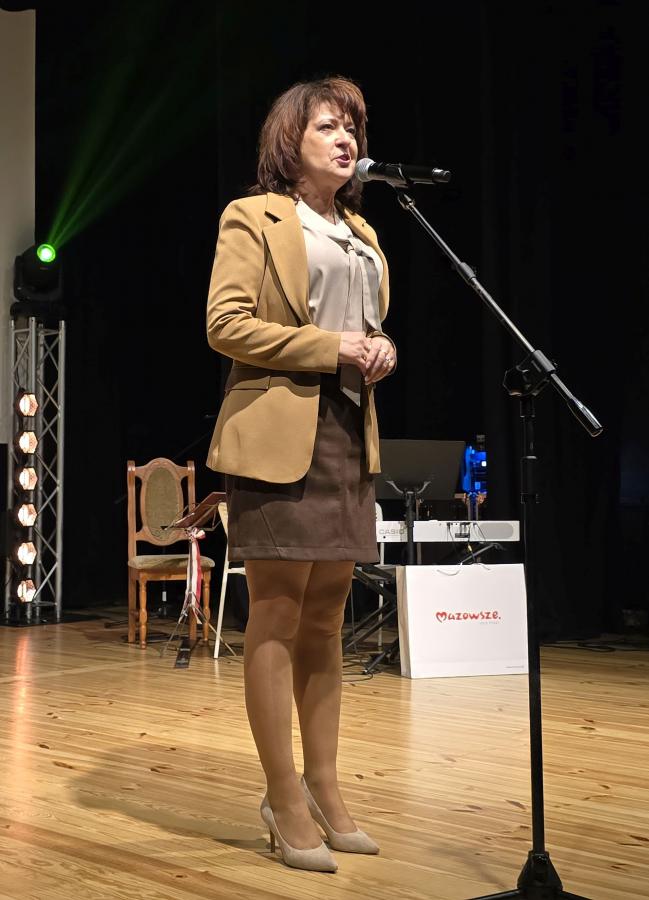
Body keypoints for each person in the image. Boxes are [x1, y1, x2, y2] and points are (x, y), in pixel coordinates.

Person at [206, 75, 396, 873]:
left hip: (347, 432)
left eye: (352, 128)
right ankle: (282, 795)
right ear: (291, 141)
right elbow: (225, 324)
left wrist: (380, 348)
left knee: (325, 621)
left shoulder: (363, 231)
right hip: (277, 435)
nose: (345, 139)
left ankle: (324, 784)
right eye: (328, 126)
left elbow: (366, 326)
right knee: (278, 616)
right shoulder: (253, 216)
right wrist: (332, 347)